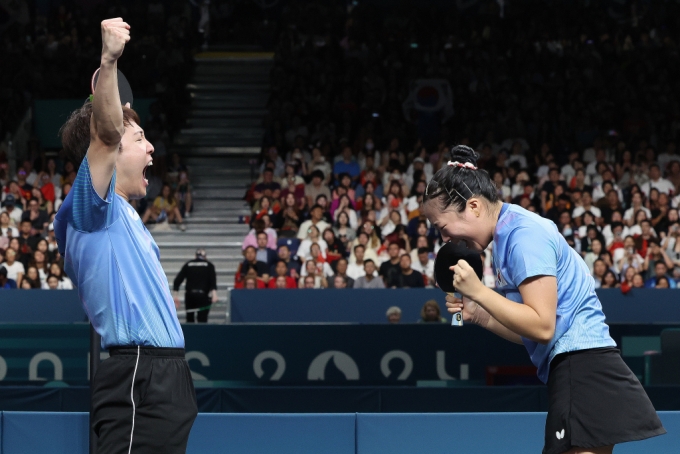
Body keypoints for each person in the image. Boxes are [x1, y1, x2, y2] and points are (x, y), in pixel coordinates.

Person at [422, 145, 664, 454]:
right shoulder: (507, 234)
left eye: (442, 227)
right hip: (583, 366)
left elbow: (542, 326)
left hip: (582, 367)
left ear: (473, 206)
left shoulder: (524, 237)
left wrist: (480, 292)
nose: (444, 239)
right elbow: (532, 333)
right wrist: (478, 314)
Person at [54, 18, 196, 453]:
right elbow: (106, 132)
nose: (152, 147)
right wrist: (109, 59)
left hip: (165, 376)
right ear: (110, 153)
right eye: (140, 138)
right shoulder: (88, 209)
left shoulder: (128, 218)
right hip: (139, 375)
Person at [173, 249, 218, 323]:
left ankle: (190, 334)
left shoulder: (188, 264)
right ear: (205, 256)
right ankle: (202, 334)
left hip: (190, 295)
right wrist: (214, 295)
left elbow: (177, 281)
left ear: (195, 256)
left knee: (190, 319)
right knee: (202, 319)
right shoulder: (209, 265)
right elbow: (213, 281)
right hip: (203, 296)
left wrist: (175, 296)